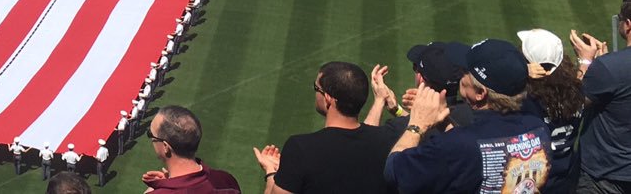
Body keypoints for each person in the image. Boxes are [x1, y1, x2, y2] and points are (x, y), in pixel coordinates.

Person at [385, 39, 552, 193]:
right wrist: (445, 122)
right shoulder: (539, 129)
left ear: (480, 93)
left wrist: (416, 124)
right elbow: (481, 146)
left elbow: (395, 172)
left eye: (465, 71)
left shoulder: (457, 145)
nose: (459, 76)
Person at [253, 61, 394, 194]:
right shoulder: (387, 142)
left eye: (317, 88)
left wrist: (271, 173)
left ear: (327, 98)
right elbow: (367, 137)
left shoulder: (300, 148)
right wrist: (380, 100)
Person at [570, 0, 631, 193]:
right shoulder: (609, 67)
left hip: (604, 177)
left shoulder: (609, 68)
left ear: (628, 26)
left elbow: (571, 105)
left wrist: (586, 62)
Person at [517, 29, 584, 194]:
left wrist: (521, 71)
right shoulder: (577, 90)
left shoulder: (525, 99)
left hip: (533, 182)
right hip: (566, 178)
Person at [141, 105, 240, 192]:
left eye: (151, 134)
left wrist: (157, 189)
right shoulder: (226, 181)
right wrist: (169, 182)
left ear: (166, 147)